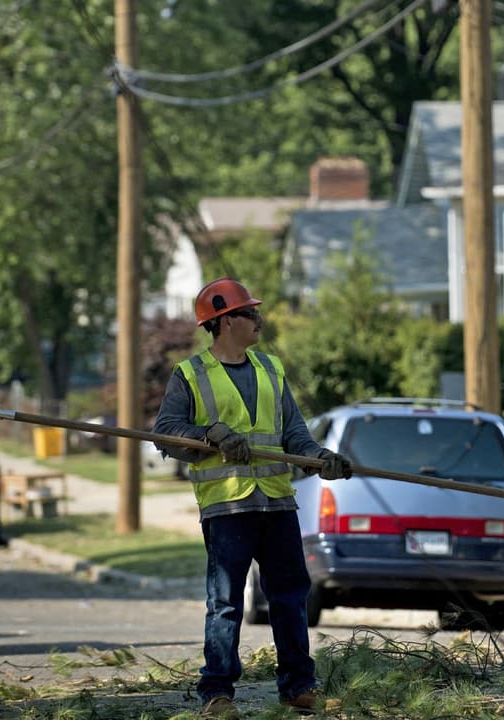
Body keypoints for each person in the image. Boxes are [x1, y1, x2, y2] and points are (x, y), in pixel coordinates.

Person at [153, 277, 353, 718]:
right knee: (225, 602)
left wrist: (320, 458)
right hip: (228, 507)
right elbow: (165, 432)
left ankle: (299, 687)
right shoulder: (190, 375)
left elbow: (294, 435)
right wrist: (209, 434)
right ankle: (217, 694)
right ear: (225, 322)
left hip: (277, 503)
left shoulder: (271, 370)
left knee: (290, 596)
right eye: (248, 313)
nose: (258, 319)